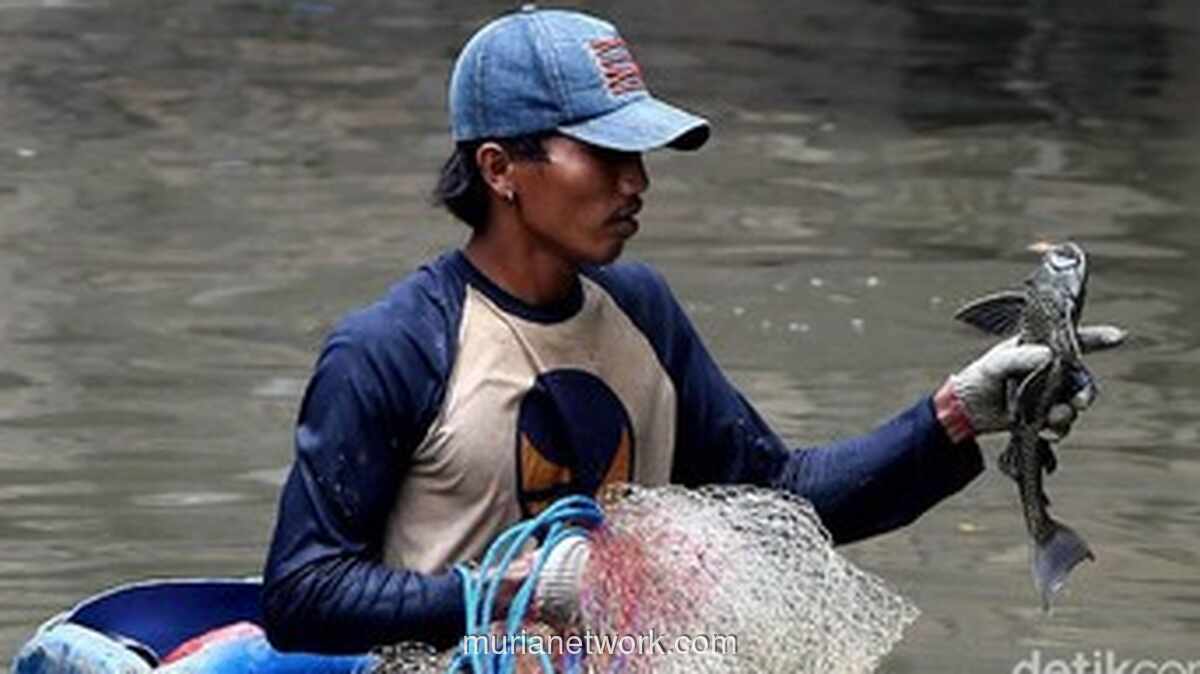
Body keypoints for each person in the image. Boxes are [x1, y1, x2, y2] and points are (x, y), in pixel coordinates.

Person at [260, 6, 1123, 655]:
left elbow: (779, 502)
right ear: (500, 169)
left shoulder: (641, 312)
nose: (636, 182)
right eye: (602, 154)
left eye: (639, 156)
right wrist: (517, 590)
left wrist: (957, 414)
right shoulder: (390, 349)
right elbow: (303, 596)